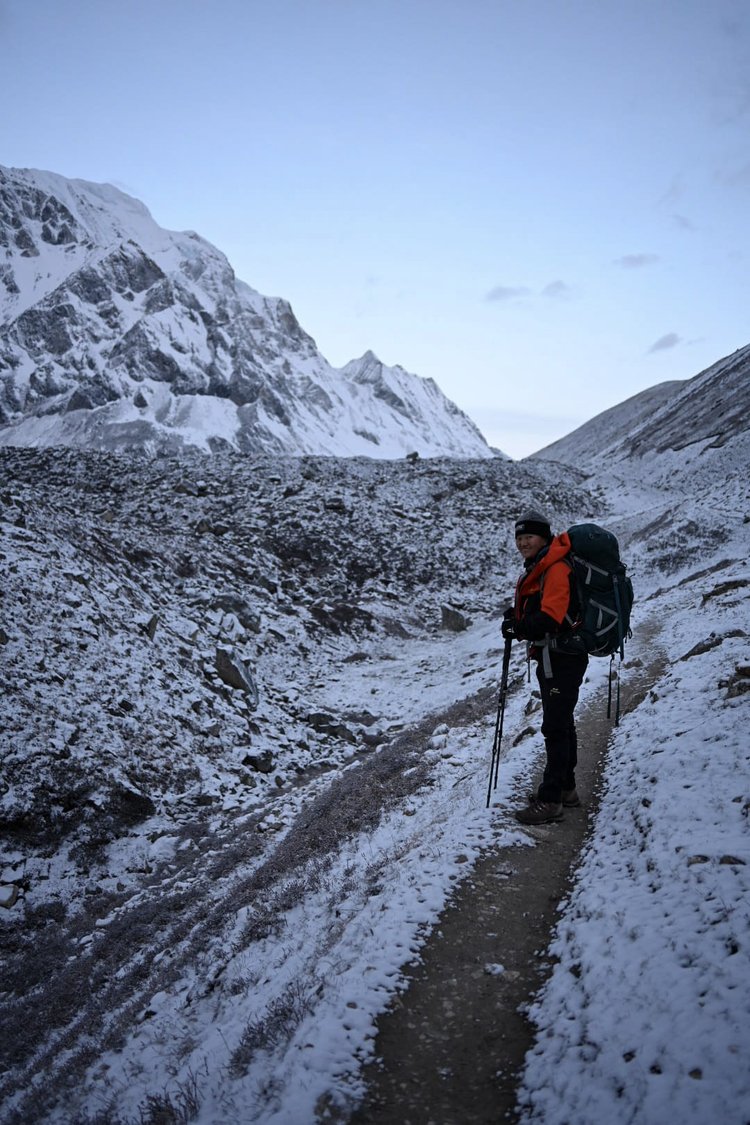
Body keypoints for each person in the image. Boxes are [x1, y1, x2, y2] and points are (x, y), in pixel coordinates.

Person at [501, 510, 588, 825]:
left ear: (544, 537)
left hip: (561, 657)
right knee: (562, 722)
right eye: (519, 538)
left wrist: (518, 628)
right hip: (554, 655)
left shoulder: (555, 568)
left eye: (529, 537)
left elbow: (551, 617)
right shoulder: (542, 564)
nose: (523, 543)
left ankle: (550, 800)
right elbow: (542, 607)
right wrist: (518, 616)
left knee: (554, 726)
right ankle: (566, 790)